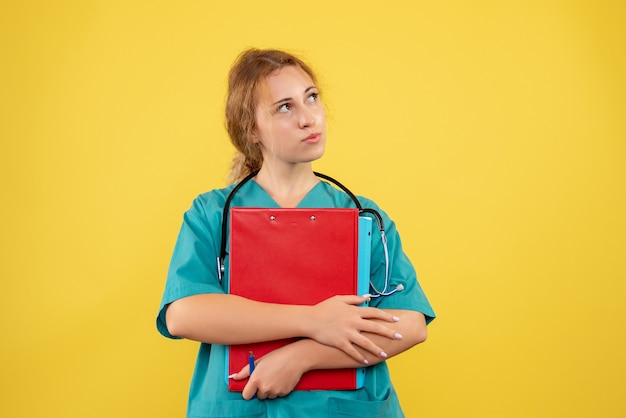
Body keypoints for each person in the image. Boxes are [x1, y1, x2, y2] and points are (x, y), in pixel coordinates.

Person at [156, 48, 435, 418]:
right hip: (238, 406)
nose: (309, 118)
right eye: (285, 107)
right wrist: (312, 320)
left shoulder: (363, 216)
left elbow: (411, 324)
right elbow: (184, 314)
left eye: (312, 98)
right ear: (251, 129)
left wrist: (301, 357)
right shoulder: (211, 214)